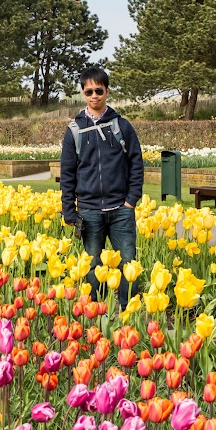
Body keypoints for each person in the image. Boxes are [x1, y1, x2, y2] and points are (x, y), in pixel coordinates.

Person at [59, 67, 143, 304]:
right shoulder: (74, 130)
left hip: (121, 209)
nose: (94, 95)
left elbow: (136, 163)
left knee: (128, 264)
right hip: (89, 210)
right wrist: (68, 209)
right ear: (83, 93)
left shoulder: (122, 126)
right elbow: (67, 173)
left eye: (99, 90)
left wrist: (131, 200)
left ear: (107, 91)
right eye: (89, 91)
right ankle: (95, 313)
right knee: (93, 265)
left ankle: (128, 312)